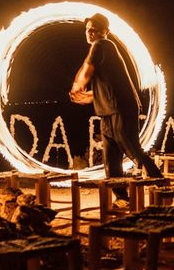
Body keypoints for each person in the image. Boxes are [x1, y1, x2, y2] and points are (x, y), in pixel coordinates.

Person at [69, 13, 164, 202]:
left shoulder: (102, 45)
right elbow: (103, 89)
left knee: (133, 150)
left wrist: (77, 85)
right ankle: (122, 198)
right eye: (87, 29)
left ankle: (161, 187)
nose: (90, 33)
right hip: (106, 112)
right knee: (111, 162)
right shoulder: (102, 51)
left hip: (121, 109)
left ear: (104, 31)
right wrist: (85, 96)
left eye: (94, 29)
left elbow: (86, 70)